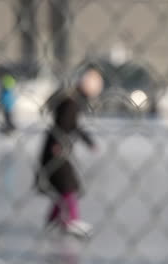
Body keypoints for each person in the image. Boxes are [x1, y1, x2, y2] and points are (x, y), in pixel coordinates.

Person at [35, 66, 103, 237]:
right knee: (68, 186)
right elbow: (64, 123)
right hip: (57, 150)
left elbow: (74, 126)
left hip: (58, 148)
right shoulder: (71, 101)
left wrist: (88, 141)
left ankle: (54, 221)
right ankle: (71, 220)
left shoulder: (73, 99)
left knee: (64, 188)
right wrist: (58, 144)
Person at [0, 67, 17, 133]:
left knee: (7, 117)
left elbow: (6, 88)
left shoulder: (7, 80)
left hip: (7, 104)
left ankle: (10, 127)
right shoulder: (11, 79)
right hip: (8, 104)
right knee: (8, 117)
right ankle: (10, 126)